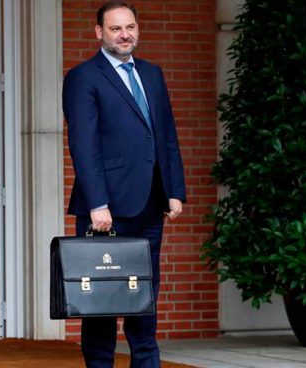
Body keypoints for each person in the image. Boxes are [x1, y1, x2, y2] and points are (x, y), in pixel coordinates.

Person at [62, 1, 187, 367]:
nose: (125, 34)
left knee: (144, 299)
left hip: (150, 203)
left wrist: (175, 189)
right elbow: (83, 145)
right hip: (106, 210)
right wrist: (98, 203)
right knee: (102, 301)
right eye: (116, 28)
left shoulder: (152, 73)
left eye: (130, 27)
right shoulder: (83, 76)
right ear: (99, 32)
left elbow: (165, 135)